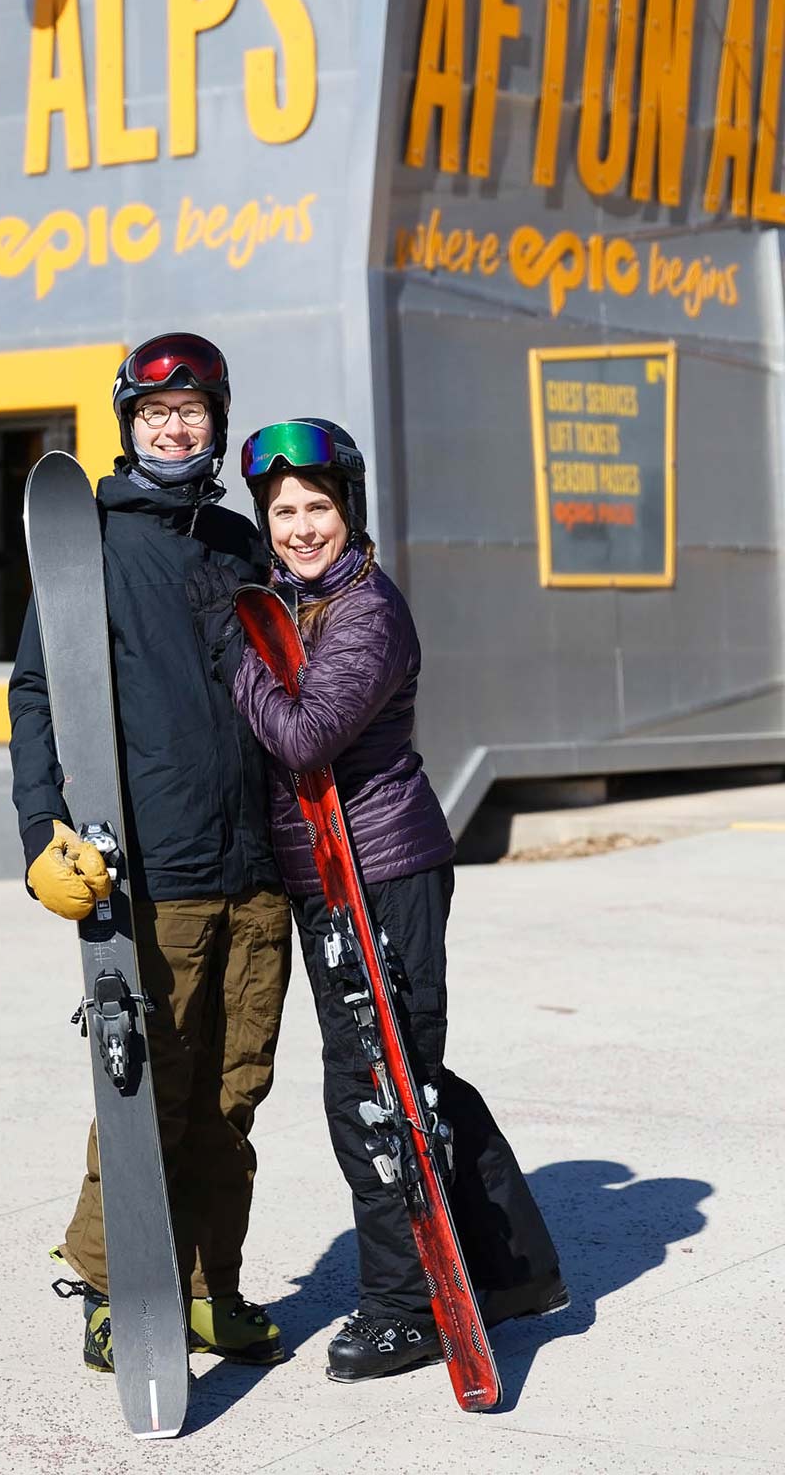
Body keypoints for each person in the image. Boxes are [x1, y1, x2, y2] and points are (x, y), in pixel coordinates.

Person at [231, 417, 567, 1383]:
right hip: (328, 879)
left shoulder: (366, 610)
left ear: (351, 513)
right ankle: (502, 1269)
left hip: (383, 873)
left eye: (317, 508)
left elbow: (304, 736)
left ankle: (403, 1305)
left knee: (375, 1091)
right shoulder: (296, 604)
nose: (299, 527)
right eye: (283, 510)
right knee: (404, 1075)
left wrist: (235, 652)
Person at [8, 333, 292, 1374]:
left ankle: (210, 1286)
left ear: (217, 422)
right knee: (145, 1096)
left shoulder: (238, 543)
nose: (175, 427)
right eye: (155, 413)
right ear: (128, 421)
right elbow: (39, 690)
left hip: (257, 869)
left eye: (194, 411)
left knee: (234, 1090)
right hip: (152, 869)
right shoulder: (94, 540)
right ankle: (111, 1284)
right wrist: (44, 825)